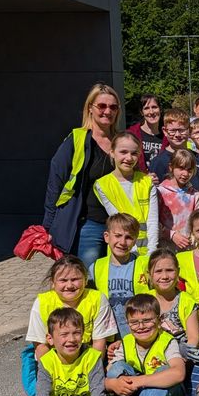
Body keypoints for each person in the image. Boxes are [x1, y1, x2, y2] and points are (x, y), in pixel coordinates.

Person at [43, 82, 121, 267]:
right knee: (89, 278)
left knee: (116, 280)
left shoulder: (121, 141)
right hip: (89, 225)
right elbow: (56, 181)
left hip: (119, 225)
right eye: (101, 106)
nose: (107, 111)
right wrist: (49, 225)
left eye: (113, 107)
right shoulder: (77, 140)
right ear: (90, 108)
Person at [105, 294, 187, 396]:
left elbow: (179, 373)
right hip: (141, 394)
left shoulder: (167, 341)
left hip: (168, 395)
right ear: (127, 323)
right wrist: (112, 383)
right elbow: (111, 372)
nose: (141, 326)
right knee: (116, 369)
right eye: (134, 322)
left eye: (147, 320)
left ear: (159, 319)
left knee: (164, 370)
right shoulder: (126, 342)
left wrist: (137, 381)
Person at [23, 255, 117, 396]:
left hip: (86, 359)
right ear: (53, 283)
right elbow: (40, 346)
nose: (69, 285)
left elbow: (99, 343)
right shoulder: (42, 303)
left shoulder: (97, 299)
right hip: (55, 361)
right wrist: (57, 376)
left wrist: (90, 375)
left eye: (75, 279)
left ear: (85, 280)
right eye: (63, 280)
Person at [93, 132, 159, 255]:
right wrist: (132, 254)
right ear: (112, 152)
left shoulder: (147, 182)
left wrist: (151, 253)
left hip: (147, 252)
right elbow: (117, 220)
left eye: (134, 153)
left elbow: (152, 221)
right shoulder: (102, 185)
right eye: (123, 152)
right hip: (121, 251)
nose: (129, 158)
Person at [88, 213, 150, 336]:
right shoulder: (95, 267)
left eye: (128, 237)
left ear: (135, 241)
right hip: (109, 334)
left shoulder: (145, 264)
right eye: (118, 236)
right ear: (107, 237)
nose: (122, 242)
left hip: (140, 331)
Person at [146, 249, 199, 356]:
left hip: (180, 356)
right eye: (158, 271)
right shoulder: (145, 299)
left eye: (170, 270)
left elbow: (193, 338)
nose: (165, 276)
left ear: (178, 272)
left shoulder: (187, 301)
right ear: (149, 275)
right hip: (151, 356)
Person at [157, 149, 199, 250]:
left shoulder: (195, 195)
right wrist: (171, 235)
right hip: (164, 248)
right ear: (171, 167)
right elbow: (153, 221)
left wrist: (194, 236)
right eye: (181, 168)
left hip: (188, 248)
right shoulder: (160, 192)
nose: (185, 173)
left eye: (189, 170)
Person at [147, 109, 199, 187]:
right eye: (172, 130)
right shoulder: (158, 162)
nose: (177, 134)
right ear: (165, 131)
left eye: (182, 130)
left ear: (189, 130)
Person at [127, 93, 166, 171]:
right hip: (138, 181)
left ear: (160, 109)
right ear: (142, 112)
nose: (151, 112)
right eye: (146, 108)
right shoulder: (131, 134)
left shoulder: (167, 136)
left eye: (154, 107)